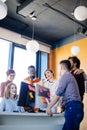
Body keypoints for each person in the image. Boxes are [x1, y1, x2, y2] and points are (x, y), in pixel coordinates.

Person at [46, 59, 84, 130]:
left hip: (73, 108)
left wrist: (48, 107)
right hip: (75, 108)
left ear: (60, 67)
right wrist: (63, 105)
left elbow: (58, 93)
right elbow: (69, 94)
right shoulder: (70, 76)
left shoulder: (65, 76)